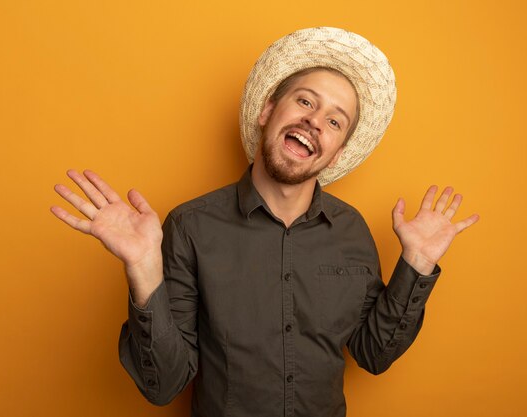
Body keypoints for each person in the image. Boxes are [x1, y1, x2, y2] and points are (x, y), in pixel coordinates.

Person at [51, 27, 479, 417]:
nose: (314, 120)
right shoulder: (190, 226)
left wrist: (417, 264)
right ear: (267, 111)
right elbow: (163, 386)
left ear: (337, 153)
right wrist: (144, 268)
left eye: (334, 120)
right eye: (305, 101)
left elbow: (373, 354)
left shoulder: (352, 232)